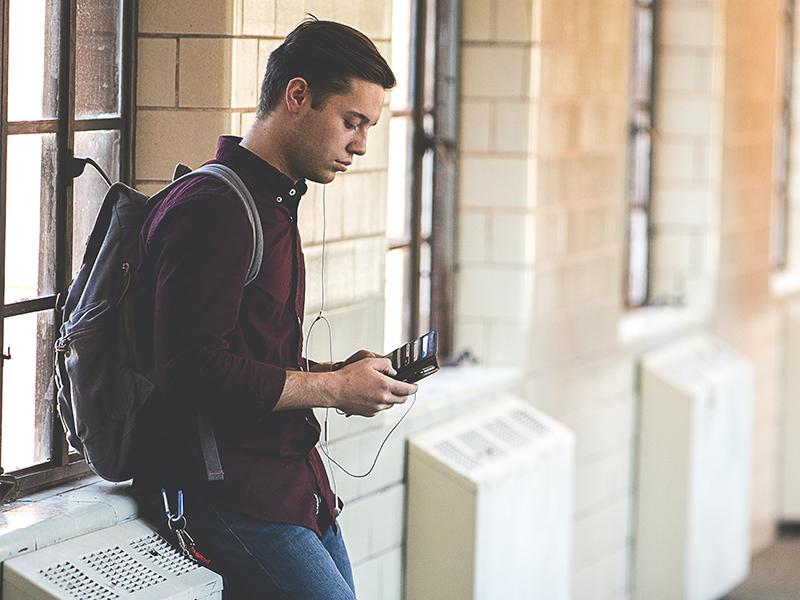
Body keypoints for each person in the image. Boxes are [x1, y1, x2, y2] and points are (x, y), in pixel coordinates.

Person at [131, 17, 418, 599]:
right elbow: (189, 368)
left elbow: (251, 358)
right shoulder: (216, 209)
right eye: (351, 122)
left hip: (290, 486)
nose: (361, 144)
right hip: (233, 495)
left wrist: (339, 376)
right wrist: (335, 391)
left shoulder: (271, 203)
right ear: (298, 95)